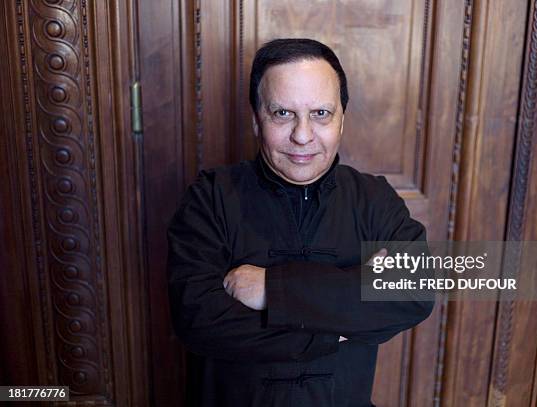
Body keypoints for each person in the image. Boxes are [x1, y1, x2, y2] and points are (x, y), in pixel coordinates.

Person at [167, 38, 434, 407]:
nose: (302, 135)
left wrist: (272, 291)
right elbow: (197, 318)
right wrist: (336, 326)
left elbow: (416, 290)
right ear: (256, 119)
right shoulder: (209, 199)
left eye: (321, 114)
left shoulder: (374, 200)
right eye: (283, 114)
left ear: (342, 119)